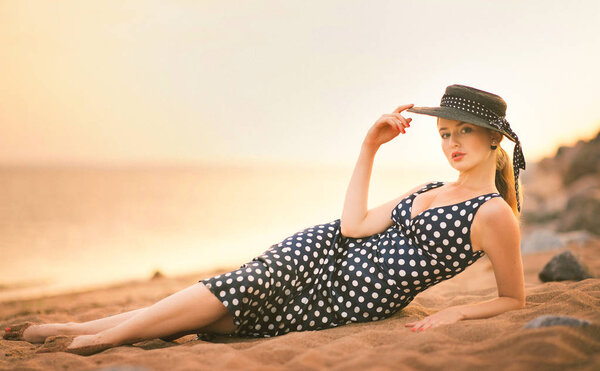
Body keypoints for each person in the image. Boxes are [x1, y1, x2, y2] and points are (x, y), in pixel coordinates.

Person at [3, 84, 527, 356]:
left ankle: (84, 328)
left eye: (462, 133)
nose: (451, 143)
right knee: (226, 289)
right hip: (322, 251)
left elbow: (513, 299)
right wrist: (369, 146)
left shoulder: (493, 213)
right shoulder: (431, 188)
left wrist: (456, 315)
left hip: (347, 299)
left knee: (217, 317)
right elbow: (352, 225)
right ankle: (92, 333)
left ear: (491, 139)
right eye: (444, 134)